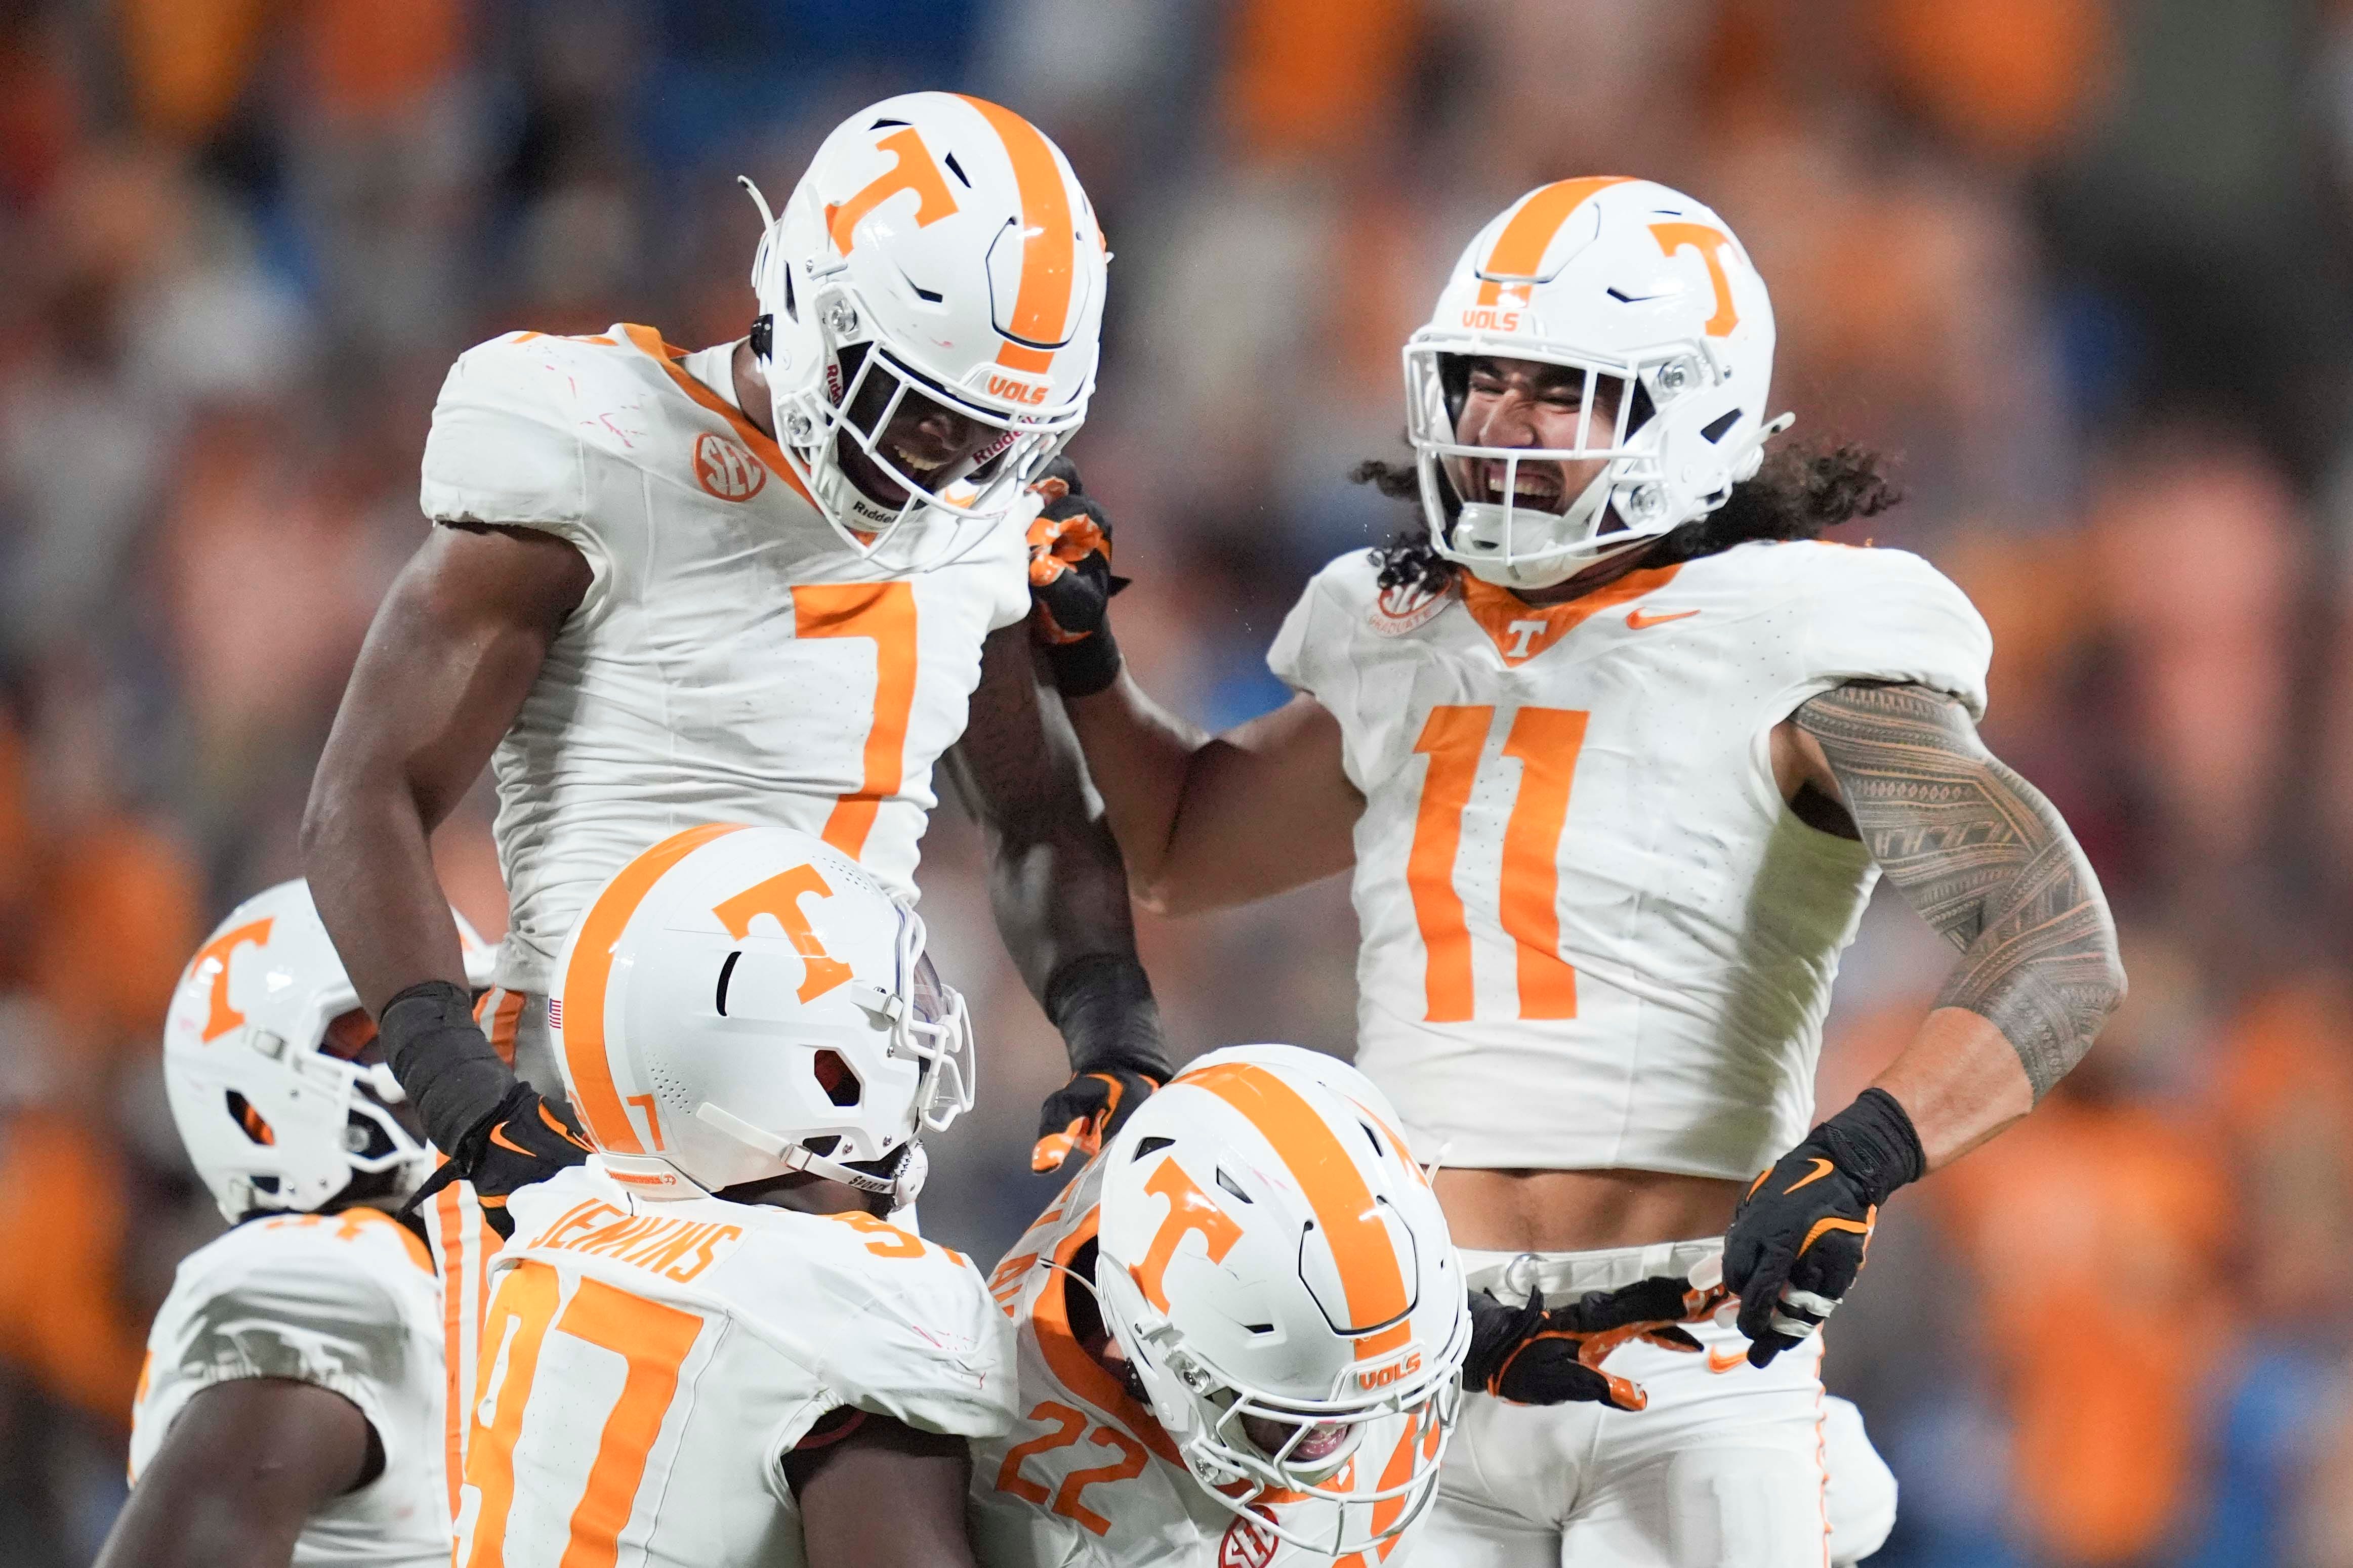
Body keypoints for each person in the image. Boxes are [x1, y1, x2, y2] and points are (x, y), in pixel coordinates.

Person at [1018, 177, 2123, 1564]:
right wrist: (1089, 666)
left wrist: (1865, 1153)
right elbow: (1179, 844)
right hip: (1406, 1345)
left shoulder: (1796, 638)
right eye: (1480, 379)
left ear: (1693, 412)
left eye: (1561, 388)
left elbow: (2054, 936)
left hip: (1690, 1361)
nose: (1497, 421)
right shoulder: (1405, 632)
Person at [302, 89, 1168, 1237]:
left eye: (989, 432)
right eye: (918, 409)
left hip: (841, 1147)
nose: (947, 463)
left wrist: (1117, 1031)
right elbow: (365, 793)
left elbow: (1039, 818)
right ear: (808, 301)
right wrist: (466, 1096)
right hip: (582, 1130)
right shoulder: (606, 447)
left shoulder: (978, 521)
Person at [392, 822, 1014, 1567]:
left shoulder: (566, 1215)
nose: (926, 1020)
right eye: (896, 1003)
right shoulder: (862, 1303)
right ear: (821, 1068)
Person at [971, 1042, 1718, 1568]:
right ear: (1151, 1351)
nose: (1346, 1440)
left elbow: (1308, 1274)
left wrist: (1469, 1338)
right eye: (1295, 1412)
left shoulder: (1215, 1269)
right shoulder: (1017, 1471)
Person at [97, 881, 494, 1568]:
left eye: (466, 1019)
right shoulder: (326, 1283)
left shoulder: (472, 1257)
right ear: (256, 1103)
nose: (456, 1059)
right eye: (390, 1033)